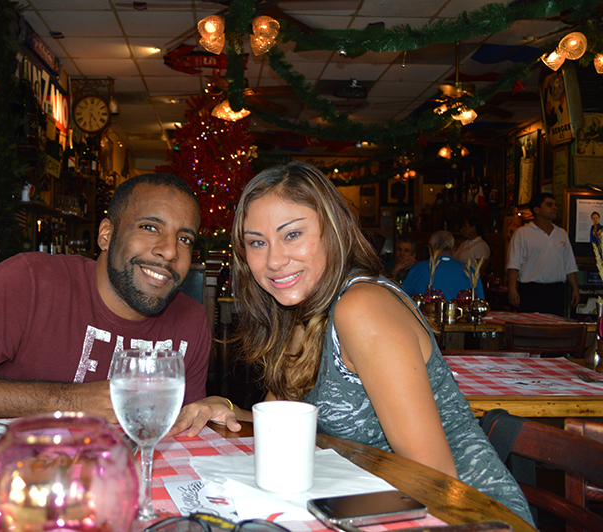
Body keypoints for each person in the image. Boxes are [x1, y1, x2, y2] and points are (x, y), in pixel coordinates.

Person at [170, 162, 532, 525]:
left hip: (468, 518)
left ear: (333, 231)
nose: (274, 260)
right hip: (379, 505)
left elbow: (434, 476)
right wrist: (227, 408)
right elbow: (282, 421)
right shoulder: (302, 315)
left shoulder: (362, 307)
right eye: (257, 242)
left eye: (292, 234)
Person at [0, 173, 211, 422]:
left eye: (185, 239)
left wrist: (219, 408)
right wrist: (68, 401)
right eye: (150, 228)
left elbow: (186, 427)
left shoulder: (191, 321)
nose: (170, 251)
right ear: (106, 235)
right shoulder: (29, 282)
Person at [506, 192, 579, 316]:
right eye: (549, 205)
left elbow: (569, 265)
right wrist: (512, 289)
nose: (554, 208)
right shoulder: (522, 233)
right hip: (531, 290)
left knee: (554, 325)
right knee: (530, 325)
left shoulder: (561, 233)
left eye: (555, 205)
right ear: (537, 209)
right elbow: (513, 264)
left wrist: (575, 289)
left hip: (556, 290)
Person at [402, 230, 484, 301]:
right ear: (454, 250)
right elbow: (480, 303)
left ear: (429, 250)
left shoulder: (416, 269)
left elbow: (402, 299)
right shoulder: (470, 271)